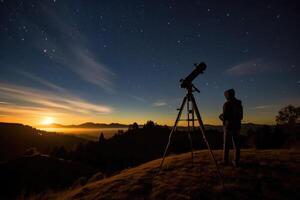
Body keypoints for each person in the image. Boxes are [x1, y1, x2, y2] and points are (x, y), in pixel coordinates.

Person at [219, 89, 243, 167]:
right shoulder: (239, 103)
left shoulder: (227, 104)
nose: (225, 97)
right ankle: (236, 161)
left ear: (228, 95)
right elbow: (241, 116)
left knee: (226, 145)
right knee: (236, 145)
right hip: (237, 126)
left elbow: (225, 117)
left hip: (228, 127)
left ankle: (225, 161)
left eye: (225, 95)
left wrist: (221, 117)